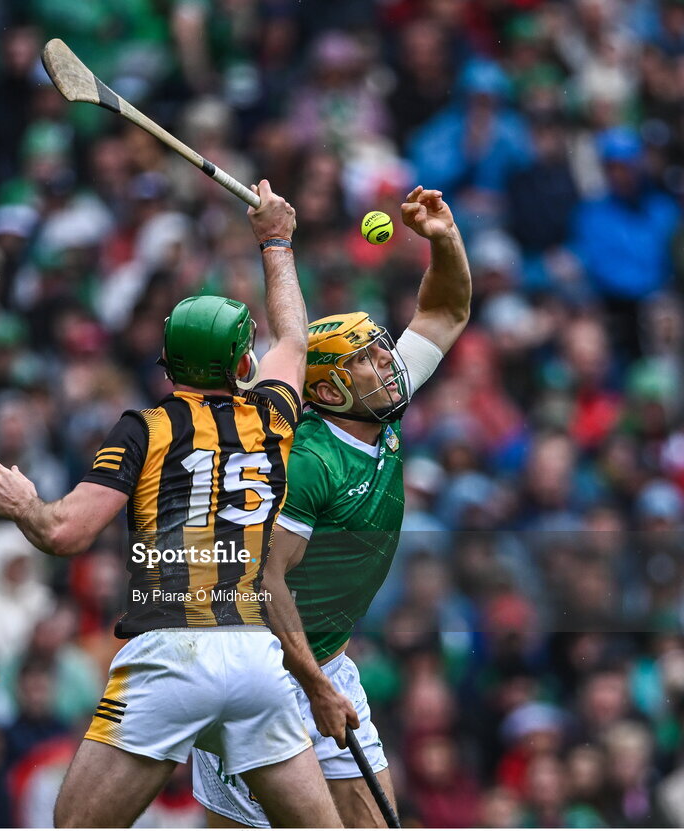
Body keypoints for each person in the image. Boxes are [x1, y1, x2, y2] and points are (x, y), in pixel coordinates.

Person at [0, 180, 344, 827]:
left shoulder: (143, 429)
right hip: (255, 656)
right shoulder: (273, 412)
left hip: (171, 653)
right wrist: (275, 242)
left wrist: (25, 502)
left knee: (75, 824)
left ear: (166, 360)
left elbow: (64, 532)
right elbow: (296, 338)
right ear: (240, 359)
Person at [193, 185, 472, 827]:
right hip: (258, 673)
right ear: (331, 387)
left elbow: (447, 310)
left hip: (326, 661)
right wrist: (314, 686)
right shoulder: (310, 462)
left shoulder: (379, 407)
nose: (389, 362)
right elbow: (265, 582)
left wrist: (444, 238)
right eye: (369, 358)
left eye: (381, 347)